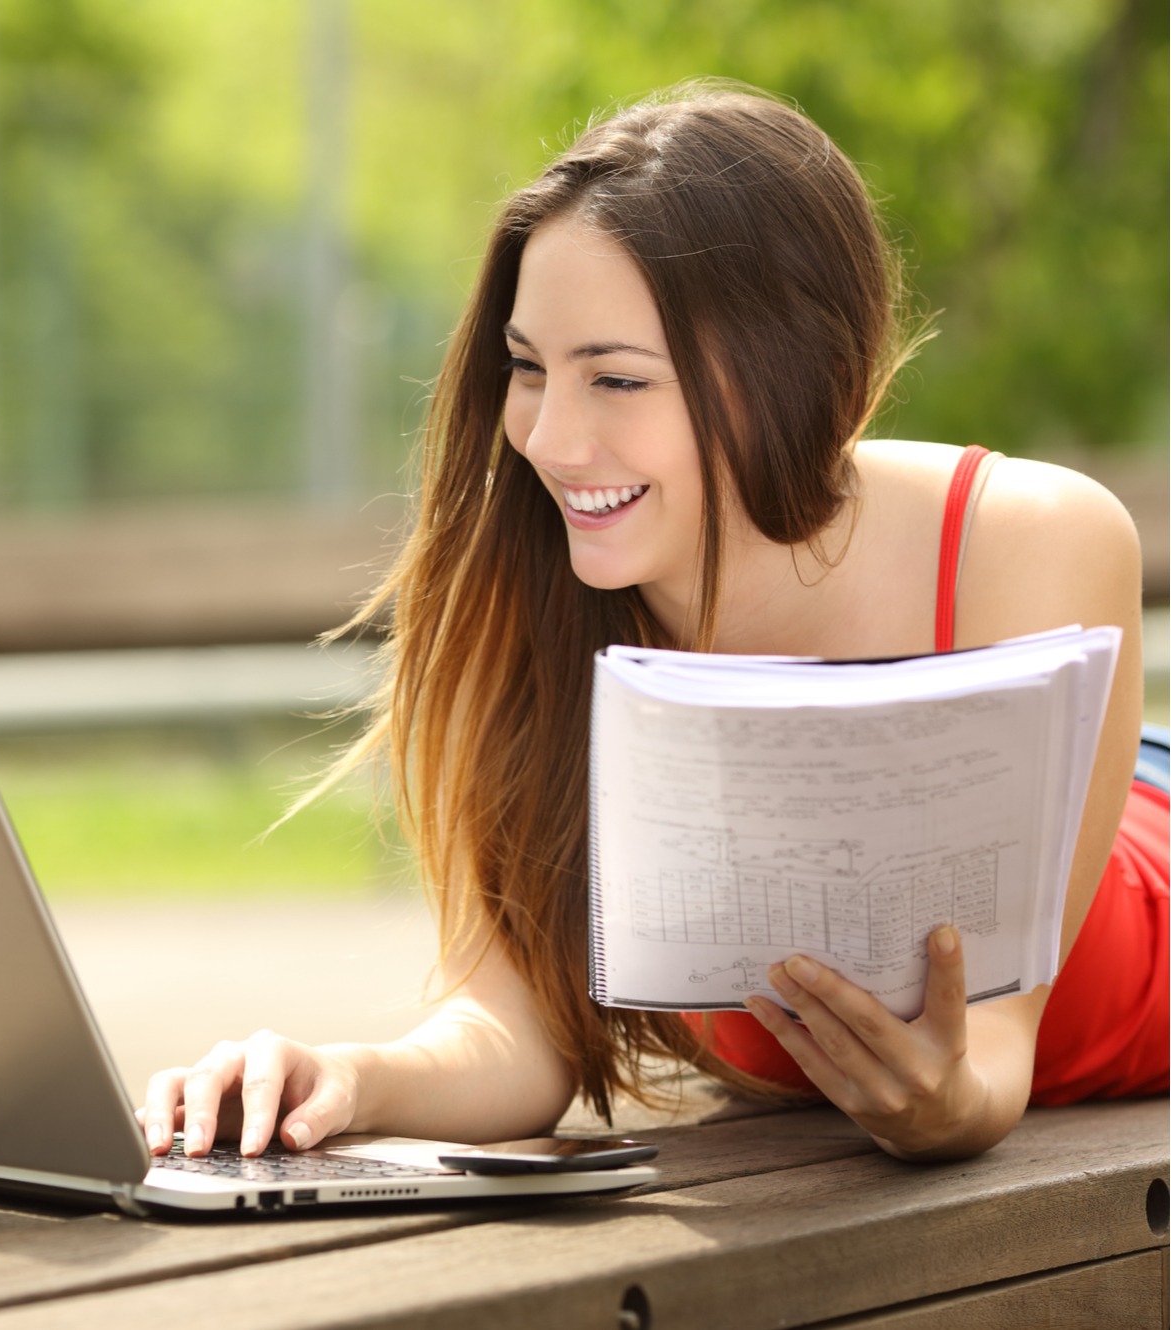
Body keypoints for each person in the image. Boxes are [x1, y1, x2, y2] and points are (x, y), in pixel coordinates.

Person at [141, 82, 1166, 1165]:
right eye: (528, 368)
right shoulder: (530, 604)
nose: (548, 438)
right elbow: (511, 1031)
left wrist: (947, 1105)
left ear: (795, 373)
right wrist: (343, 1076)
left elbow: (995, 1051)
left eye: (617, 379)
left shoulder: (1028, 537)